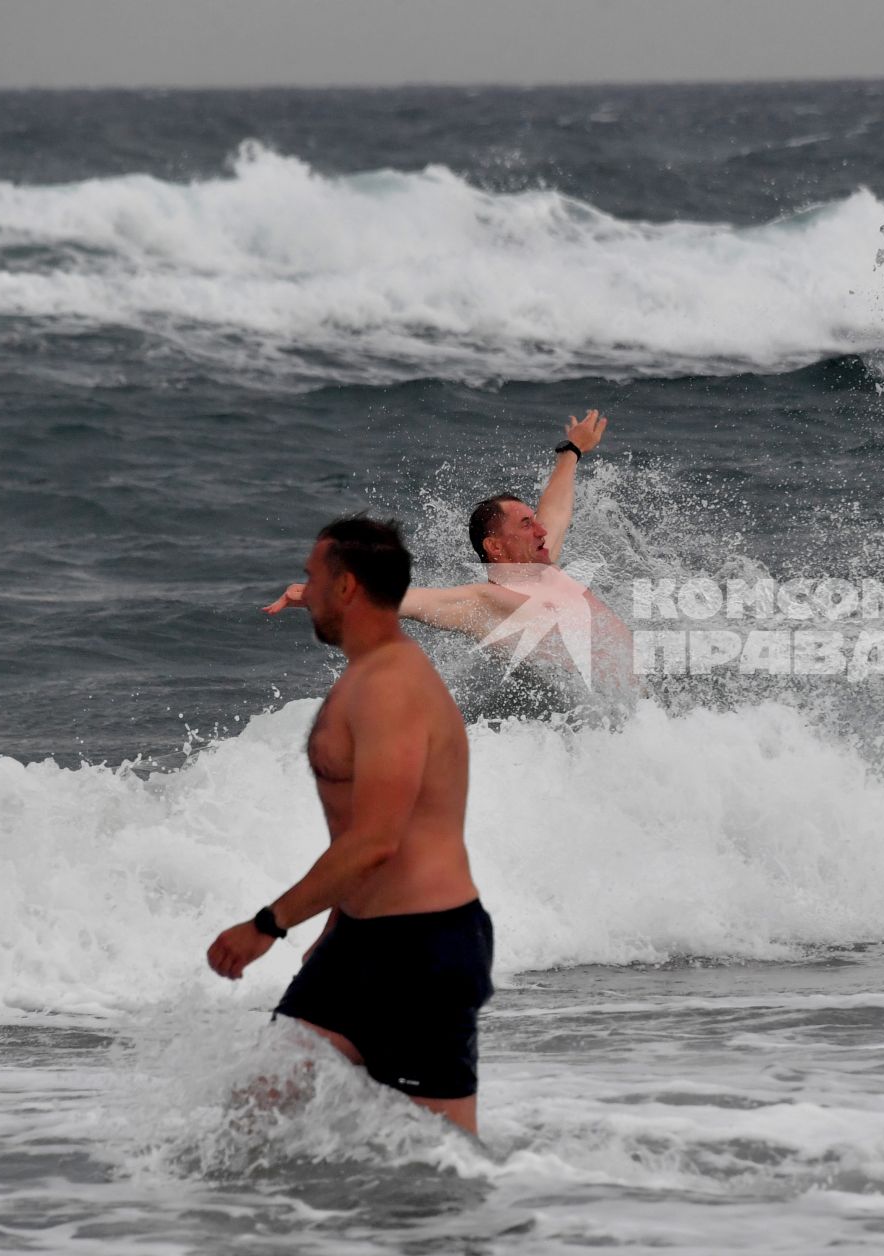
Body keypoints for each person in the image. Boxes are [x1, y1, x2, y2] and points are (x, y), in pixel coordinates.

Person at [210, 516, 493, 1135]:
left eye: (312, 578)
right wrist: (339, 923)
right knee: (251, 1121)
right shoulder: (367, 676)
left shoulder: (390, 687)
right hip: (363, 940)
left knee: (439, 1161)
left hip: (423, 948)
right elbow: (363, 829)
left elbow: (378, 839)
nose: (304, 591)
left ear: (346, 588)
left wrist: (268, 925)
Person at [265, 411, 635, 699]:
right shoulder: (489, 603)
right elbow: (402, 601)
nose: (540, 531)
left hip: (649, 705)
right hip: (615, 728)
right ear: (495, 547)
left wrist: (571, 450)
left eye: (534, 524)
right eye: (526, 525)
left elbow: (555, 509)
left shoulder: (540, 566)